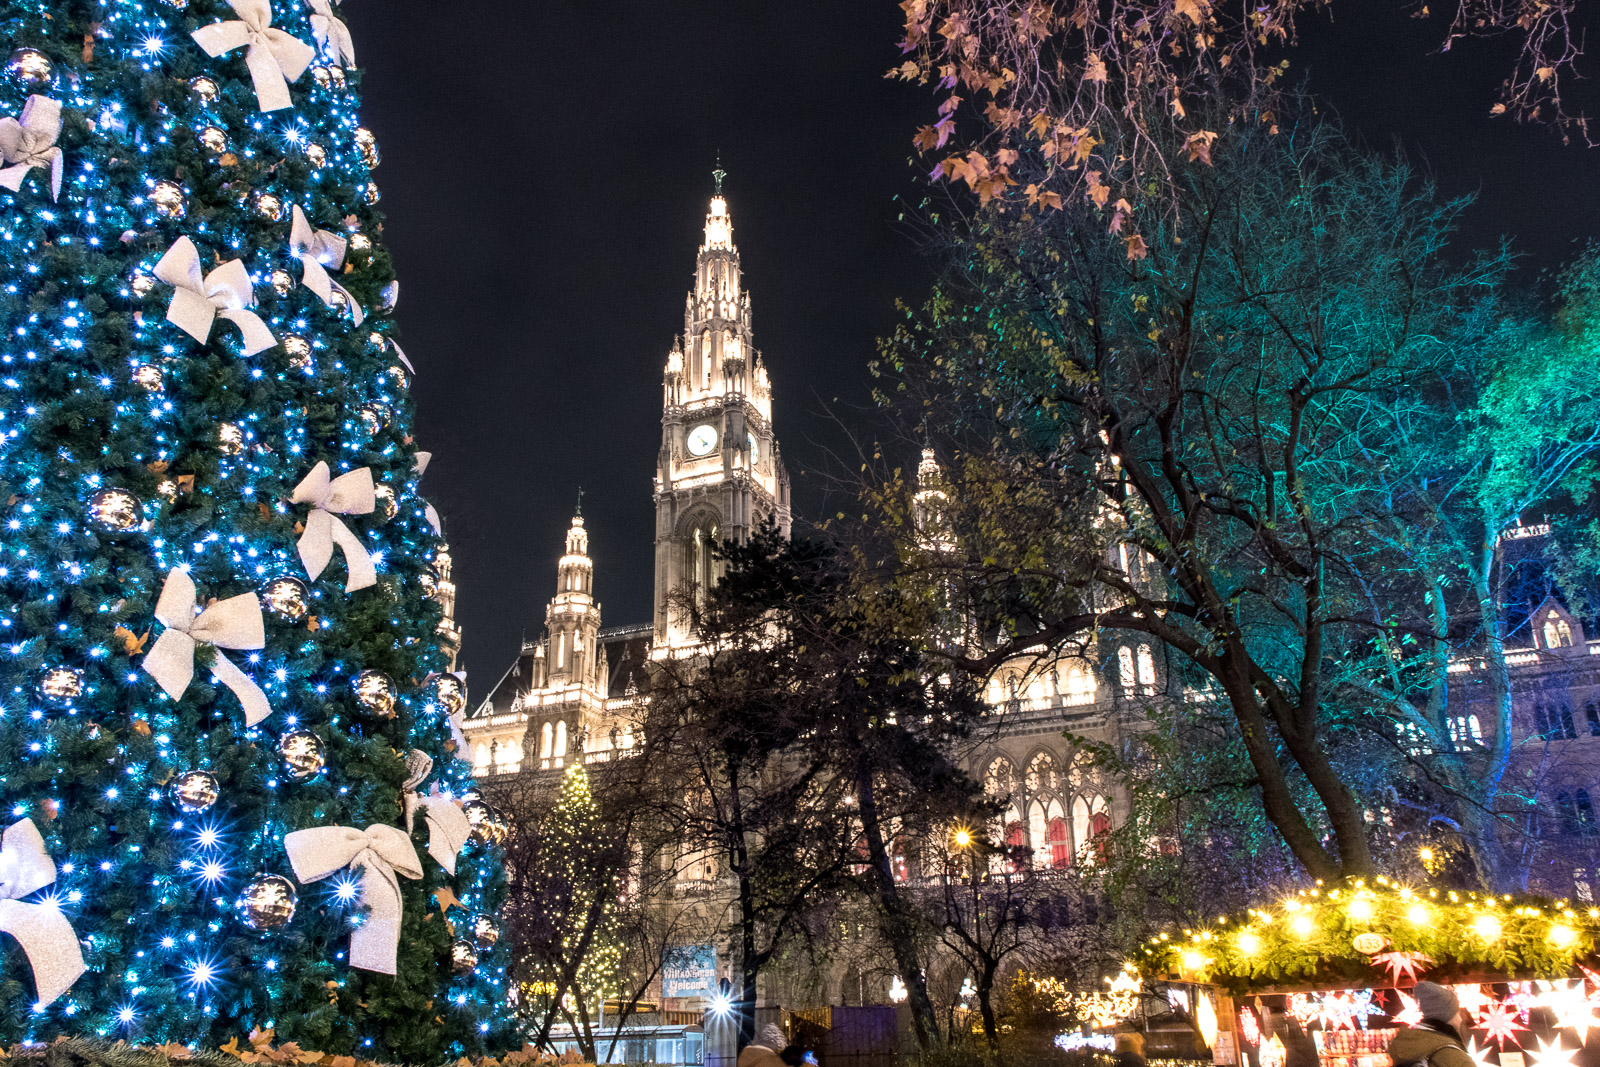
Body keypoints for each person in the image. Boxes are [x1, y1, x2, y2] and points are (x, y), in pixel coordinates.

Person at [1388, 982, 1476, 1067]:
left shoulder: (1409, 1046)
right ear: (1447, 1017)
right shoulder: (1454, 1058)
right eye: (1457, 1013)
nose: (1460, 1019)